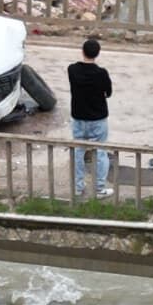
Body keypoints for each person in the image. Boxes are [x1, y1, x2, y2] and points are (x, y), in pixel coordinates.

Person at [68, 37, 113, 198]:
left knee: (78, 152)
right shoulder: (101, 73)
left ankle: (78, 187)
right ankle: (100, 188)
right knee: (100, 152)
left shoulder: (72, 70)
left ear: (82, 51)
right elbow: (108, 93)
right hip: (98, 118)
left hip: (79, 117)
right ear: (97, 54)